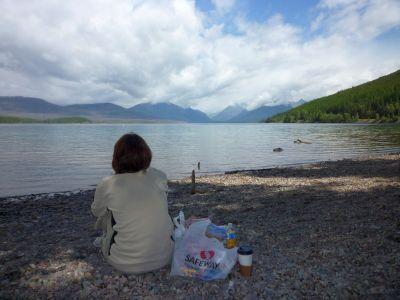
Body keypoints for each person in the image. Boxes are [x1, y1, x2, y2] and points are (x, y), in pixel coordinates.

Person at [91, 133, 174, 274]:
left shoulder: (108, 183)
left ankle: (106, 241)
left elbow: (96, 212)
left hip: (123, 262)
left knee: (108, 213)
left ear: (117, 158)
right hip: (165, 257)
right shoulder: (160, 175)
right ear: (147, 154)